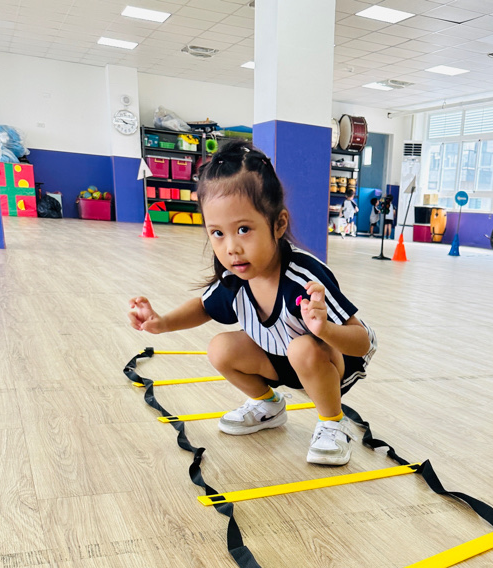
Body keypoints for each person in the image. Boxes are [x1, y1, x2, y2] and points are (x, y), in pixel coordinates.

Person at [127, 141, 377, 467]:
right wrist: (162, 323)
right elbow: (203, 306)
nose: (231, 248)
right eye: (217, 233)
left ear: (279, 224)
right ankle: (268, 405)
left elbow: (361, 343)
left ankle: (333, 423)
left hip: (333, 361)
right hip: (281, 357)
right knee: (220, 348)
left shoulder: (303, 277)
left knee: (303, 347)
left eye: (243, 229)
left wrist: (325, 329)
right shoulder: (235, 277)